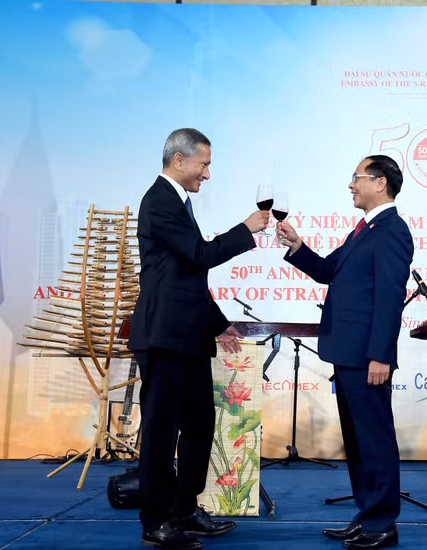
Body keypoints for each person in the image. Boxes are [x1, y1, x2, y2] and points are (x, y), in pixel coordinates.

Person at [129, 128, 269, 550]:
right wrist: (245, 230)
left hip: (187, 337)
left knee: (199, 425)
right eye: (203, 164)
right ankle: (156, 521)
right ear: (179, 160)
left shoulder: (177, 203)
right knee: (161, 432)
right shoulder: (159, 200)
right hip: (164, 338)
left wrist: (218, 323)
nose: (207, 174)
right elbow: (199, 255)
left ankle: (184, 508)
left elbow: (186, 277)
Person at [276, 154, 413, 550]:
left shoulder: (392, 230)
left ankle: (382, 524)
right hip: (349, 354)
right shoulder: (364, 230)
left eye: (357, 177)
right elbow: (328, 271)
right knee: (357, 442)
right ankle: (367, 515)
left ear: (380, 183)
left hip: (367, 357)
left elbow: (389, 298)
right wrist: (297, 246)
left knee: (374, 440)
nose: (351, 185)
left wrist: (380, 356)